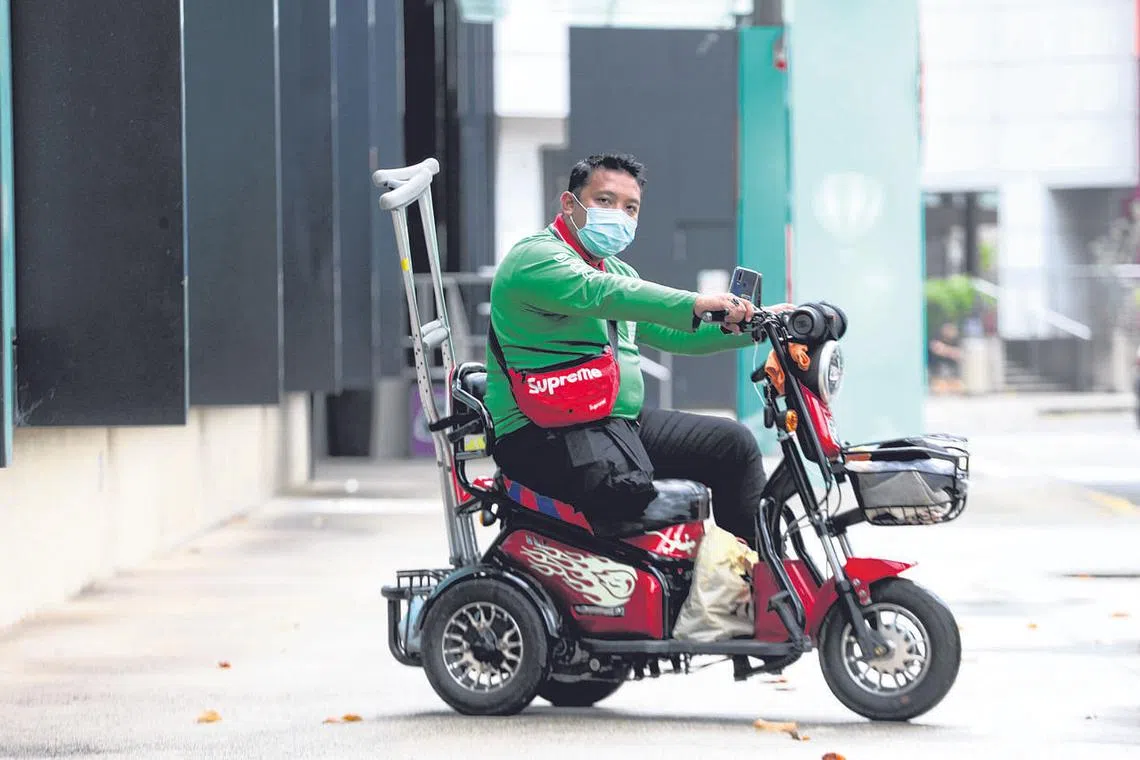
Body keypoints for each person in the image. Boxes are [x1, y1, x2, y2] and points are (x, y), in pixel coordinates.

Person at [484, 152, 791, 545]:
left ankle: (755, 570)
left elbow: (677, 335)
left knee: (733, 445)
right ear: (569, 204)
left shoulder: (616, 270)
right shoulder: (536, 258)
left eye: (630, 208)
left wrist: (760, 326)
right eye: (604, 201)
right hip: (543, 431)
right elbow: (600, 293)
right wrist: (696, 301)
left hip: (613, 422)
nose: (619, 215)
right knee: (629, 494)